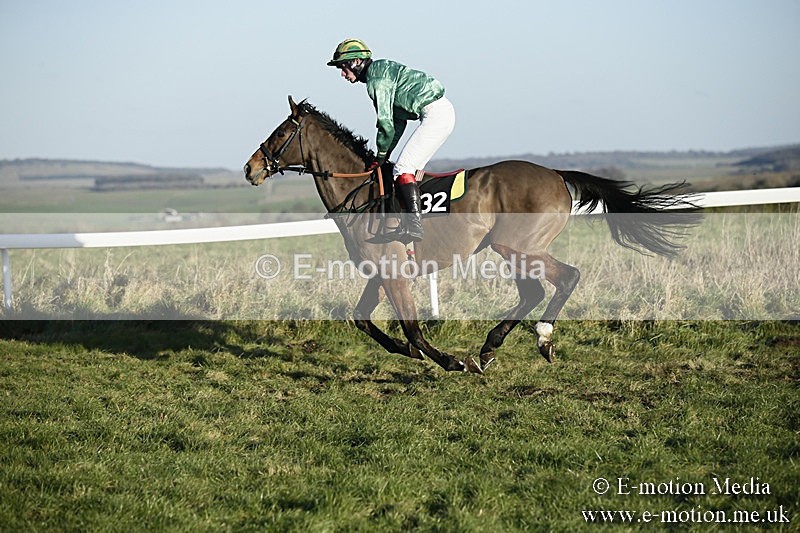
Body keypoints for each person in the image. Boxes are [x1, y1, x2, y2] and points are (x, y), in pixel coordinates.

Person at [327, 38, 455, 242]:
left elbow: (385, 123)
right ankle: (418, 222)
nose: (343, 74)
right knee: (409, 171)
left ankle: (414, 226)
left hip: (435, 114)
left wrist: (380, 155)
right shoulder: (380, 71)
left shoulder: (376, 81)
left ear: (357, 62)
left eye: (343, 68)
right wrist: (385, 154)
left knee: (402, 169)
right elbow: (398, 123)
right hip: (439, 112)